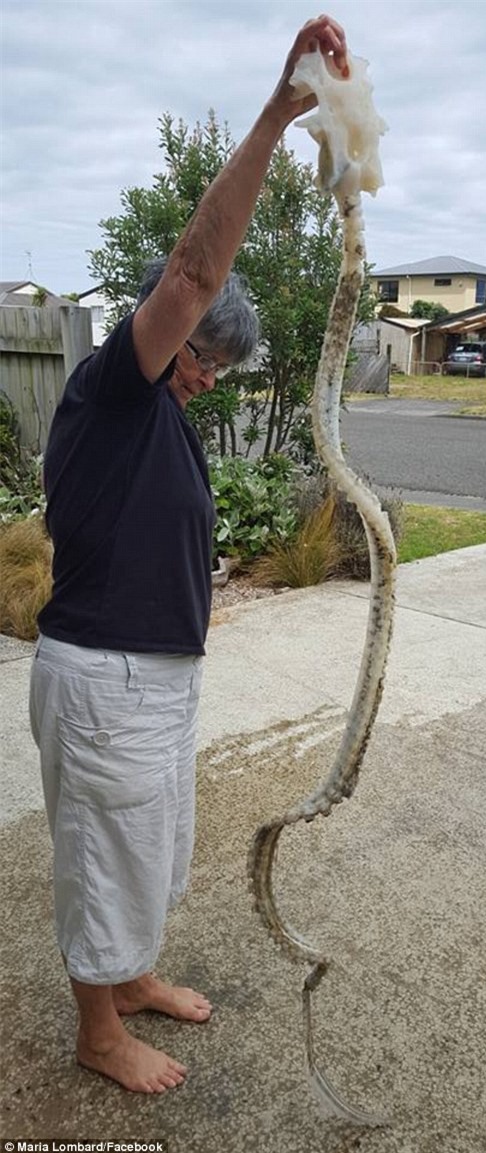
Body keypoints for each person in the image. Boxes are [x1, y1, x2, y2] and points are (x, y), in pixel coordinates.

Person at [29, 14, 348, 1095]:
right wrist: (273, 118)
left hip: (155, 678)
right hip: (105, 675)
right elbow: (192, 273)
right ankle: (96, 1028)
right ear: (177, 334)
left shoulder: (161, 415)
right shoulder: (115, 386)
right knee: (102, 852)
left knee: (148, 846)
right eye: (205, 357)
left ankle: (130, 979)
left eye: (217, 367)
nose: (208, 375)